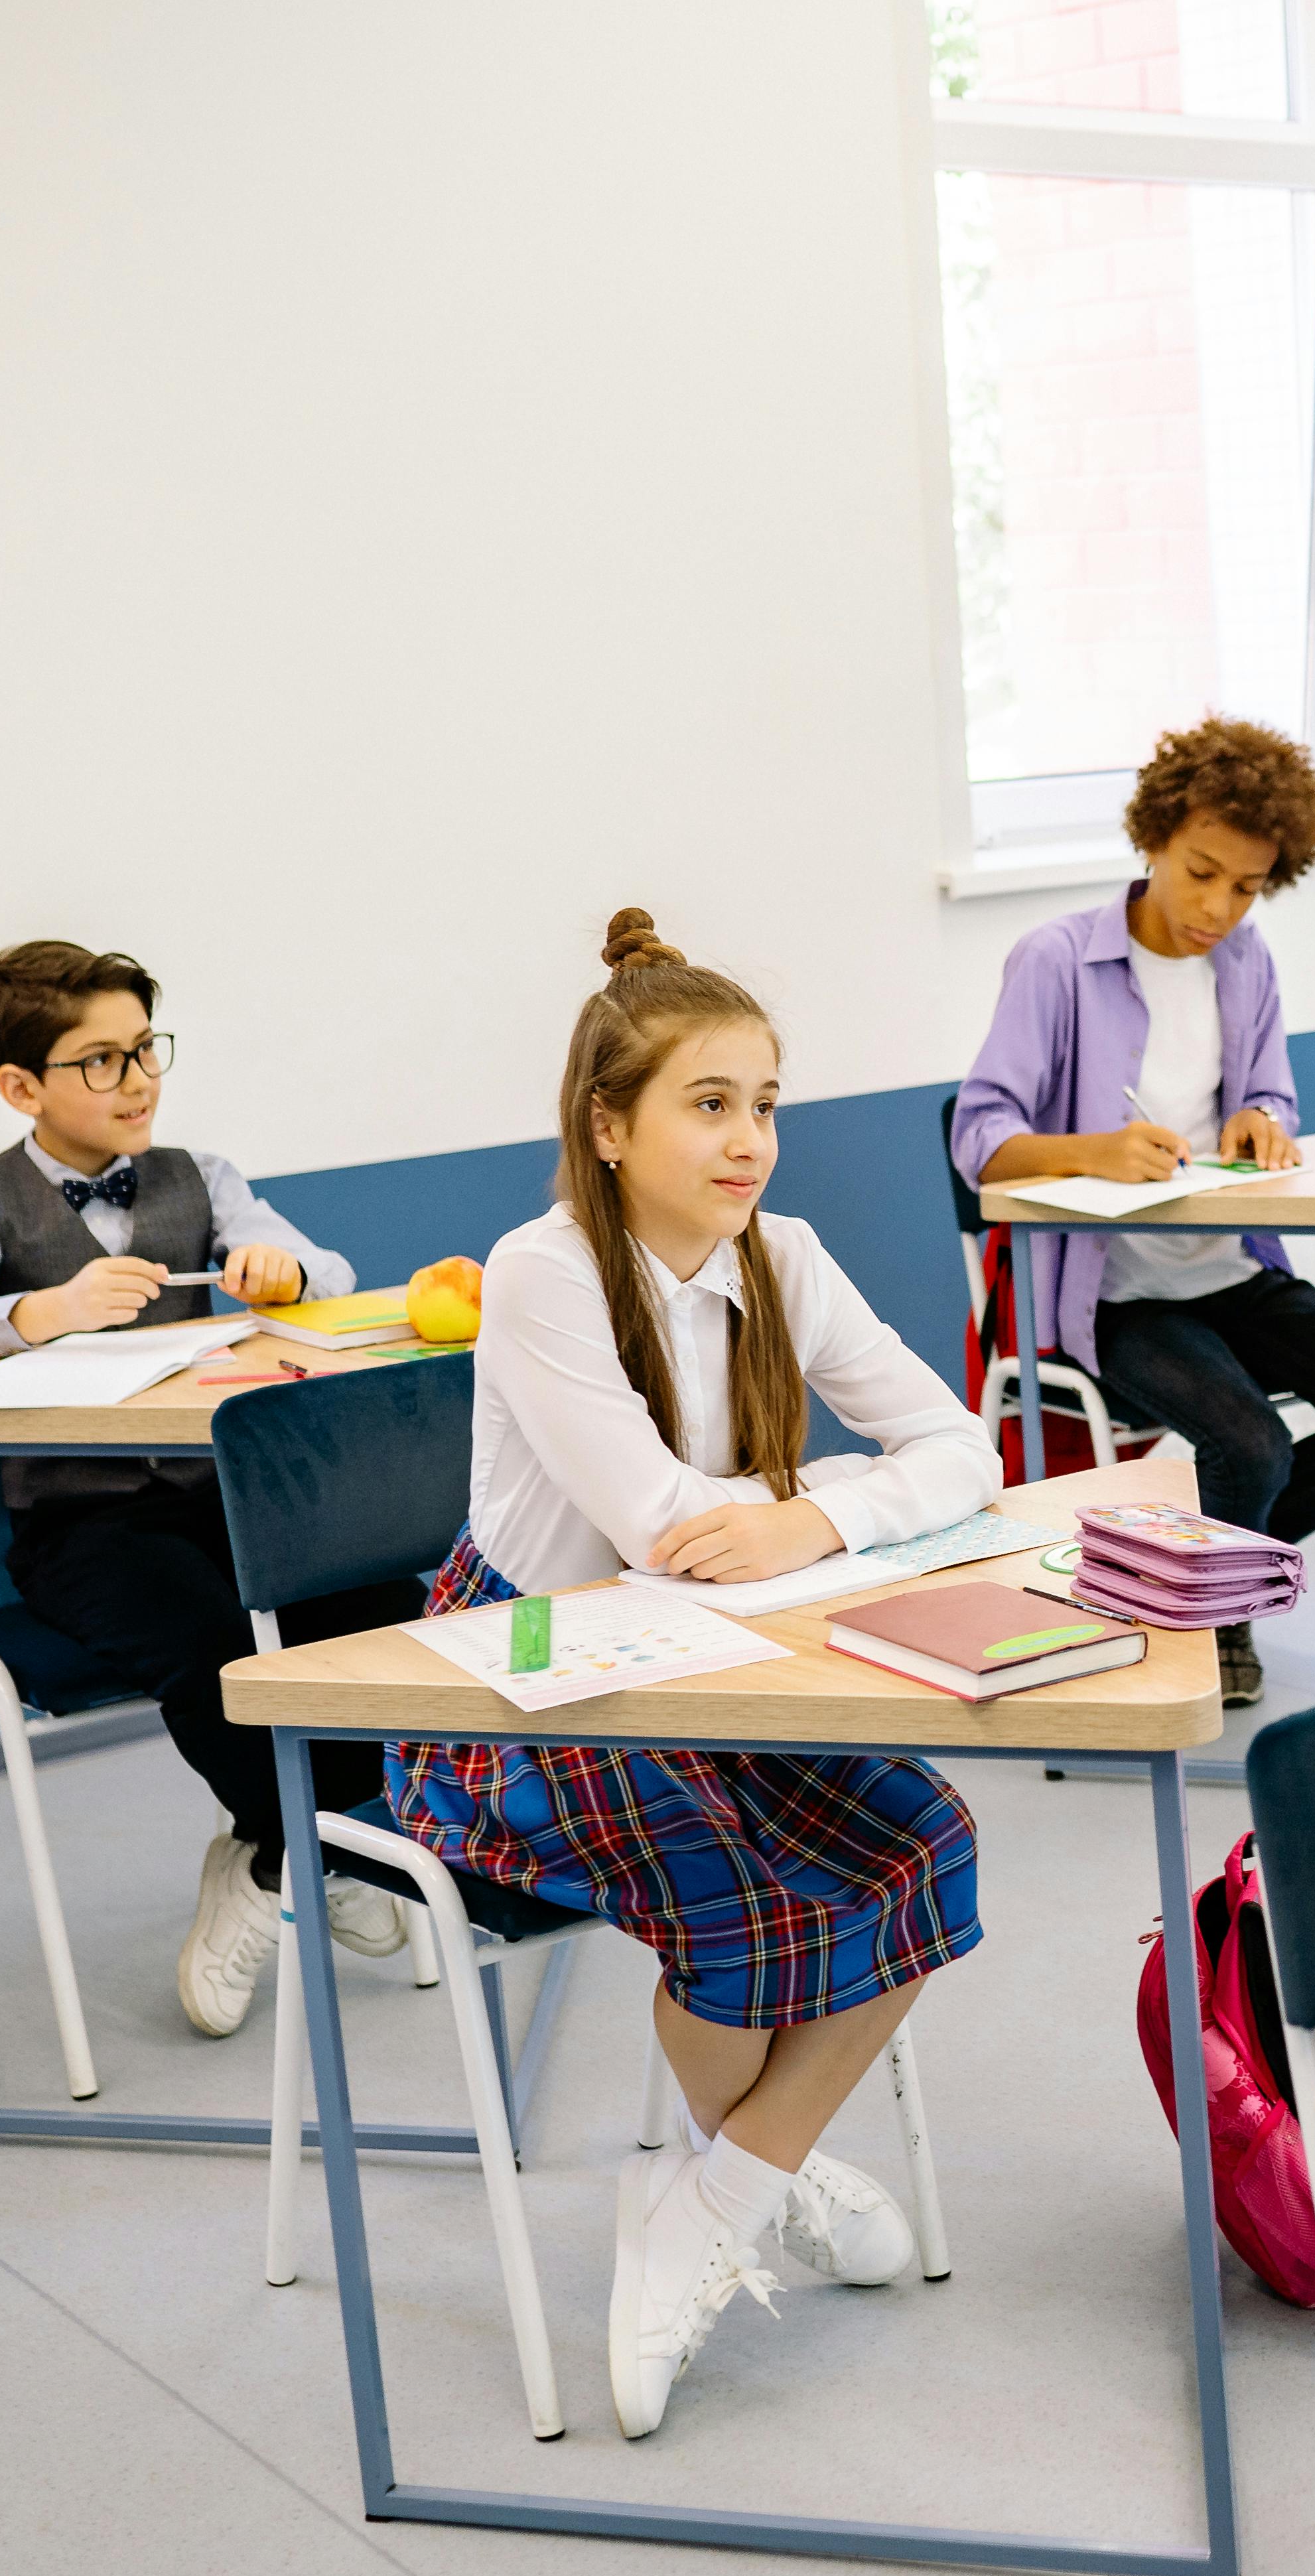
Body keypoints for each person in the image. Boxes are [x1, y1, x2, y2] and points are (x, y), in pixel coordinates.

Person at [390, 911, 995, 2433]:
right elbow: (663, 1526)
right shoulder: (545, 1272)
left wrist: (814, 1511)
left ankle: (714, 2189)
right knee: (738, 1906)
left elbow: (961, 1446)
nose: (750, 1144)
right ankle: (761, 2169)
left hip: (719, 1654)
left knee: (934, 1841)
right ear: (610, 1126)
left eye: (766, 1104)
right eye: (709, 1104)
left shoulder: (783, 1255)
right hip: (527, 1677)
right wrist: (779, 1525)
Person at [0, 938, 423, 2035]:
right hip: (82, 1522)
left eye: (145, 1049)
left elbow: (326, 1274)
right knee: (212, 1643)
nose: (137, 1080)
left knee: (378, 1612)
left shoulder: (203, 1176)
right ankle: (308, 1853)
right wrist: (36, 1312)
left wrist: (285, 1272)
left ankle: (280, 1855)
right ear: (20, 1086)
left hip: (233, 1498)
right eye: (100, 1060)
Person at [951, 716, 1315, 1704]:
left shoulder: (1247, 963)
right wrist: (1096, 1151)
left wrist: (1264, 1119)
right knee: (1250, 1445)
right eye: (1201, 872)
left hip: (1233, 1270)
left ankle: (1180, 1577)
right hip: (1116, 1297)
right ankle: (1219, 1612)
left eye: (1248, 887)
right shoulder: (1055, 962)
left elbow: (1274, 1094)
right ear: (1154, 840)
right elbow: (979, 1136)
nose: (1219, 907)